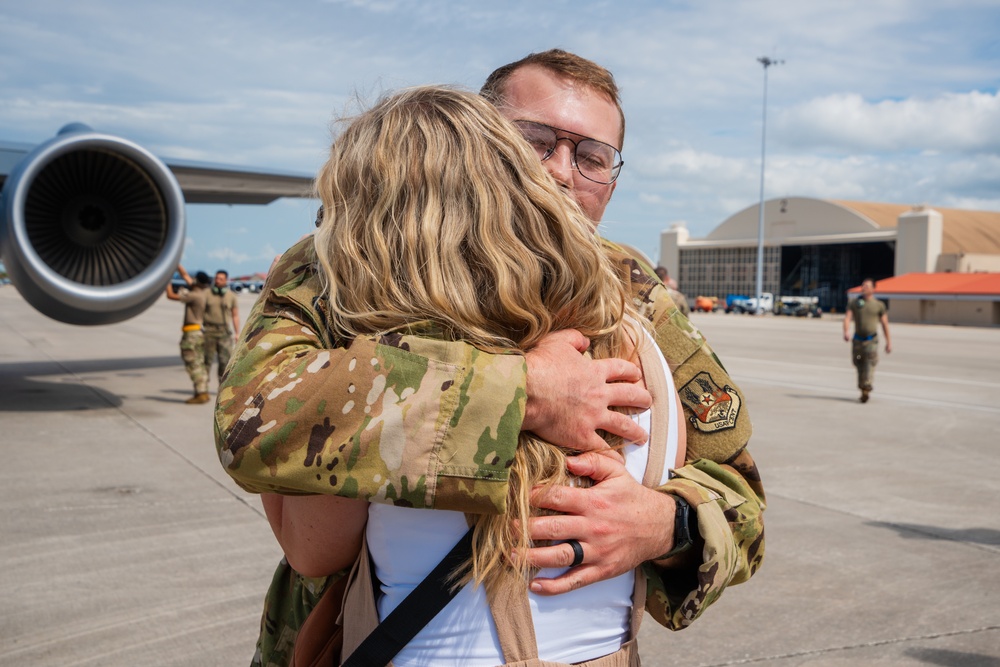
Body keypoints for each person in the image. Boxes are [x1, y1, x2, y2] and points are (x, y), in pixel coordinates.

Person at [216, 49, 764, 667]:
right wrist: (521, 392)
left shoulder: (631, 286)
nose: (561, 172)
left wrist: (666, 524)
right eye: (535, 141)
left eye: (592, 157)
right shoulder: (352, 258)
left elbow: (740, 493)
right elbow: (256, 412)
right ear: (479, 143)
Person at [165, 265, 211, 404]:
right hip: (198, 332)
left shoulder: (194, 295)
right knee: (199, 362)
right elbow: (186, 276)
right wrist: (176, 264)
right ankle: (203, 391)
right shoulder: (202, 292)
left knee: (192, 362)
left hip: (191, 333)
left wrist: (166, 279)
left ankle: (201, 393)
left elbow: (170, 295)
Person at [843, 278, 892, 403]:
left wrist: (889, 342)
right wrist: (846, 331)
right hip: (858, 342)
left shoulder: (879, 305)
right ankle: (863, 388)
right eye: (863, 285)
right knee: (859, 363)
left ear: (873, 289)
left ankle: (867, 383)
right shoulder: (855, 303)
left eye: (867, 286)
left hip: (871, 341)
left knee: (870, 362)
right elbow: (847, 318)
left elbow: (885, 324)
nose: (864, 288)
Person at [203, 270, 241, 385]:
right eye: (216, 278)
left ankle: (222, 389)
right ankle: (202, 389)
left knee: (225, 363)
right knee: (205, 361)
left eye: (220, 279)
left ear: (226, 281)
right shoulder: (206, 294)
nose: (218, 281)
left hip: (224, 333)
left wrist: (237, 333)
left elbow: (235, 315)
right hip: (208, 332)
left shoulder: (231, 296)